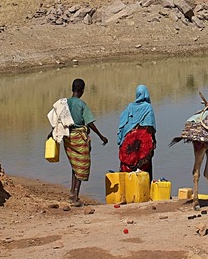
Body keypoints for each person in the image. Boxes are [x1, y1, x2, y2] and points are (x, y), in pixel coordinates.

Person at [64, 78, 107, 206]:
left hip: (68, 138)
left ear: (72, 89)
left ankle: (72, 193)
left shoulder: (65, 103)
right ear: (82, 91)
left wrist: (51, 134)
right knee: (81, 166)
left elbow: (57, 120)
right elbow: (89, 122)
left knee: (74, 165)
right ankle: (75, 197)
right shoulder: (82, 104)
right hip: (79, 137)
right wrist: (101, 136)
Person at [117, 84, 157, 176]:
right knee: (145, 169)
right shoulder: (147, 107)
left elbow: (123, 125)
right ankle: (145, 188)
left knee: (128, 167)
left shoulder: (129, 107)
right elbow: (150, 127)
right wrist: (153, 140)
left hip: (129, 143)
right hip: (143, 144)